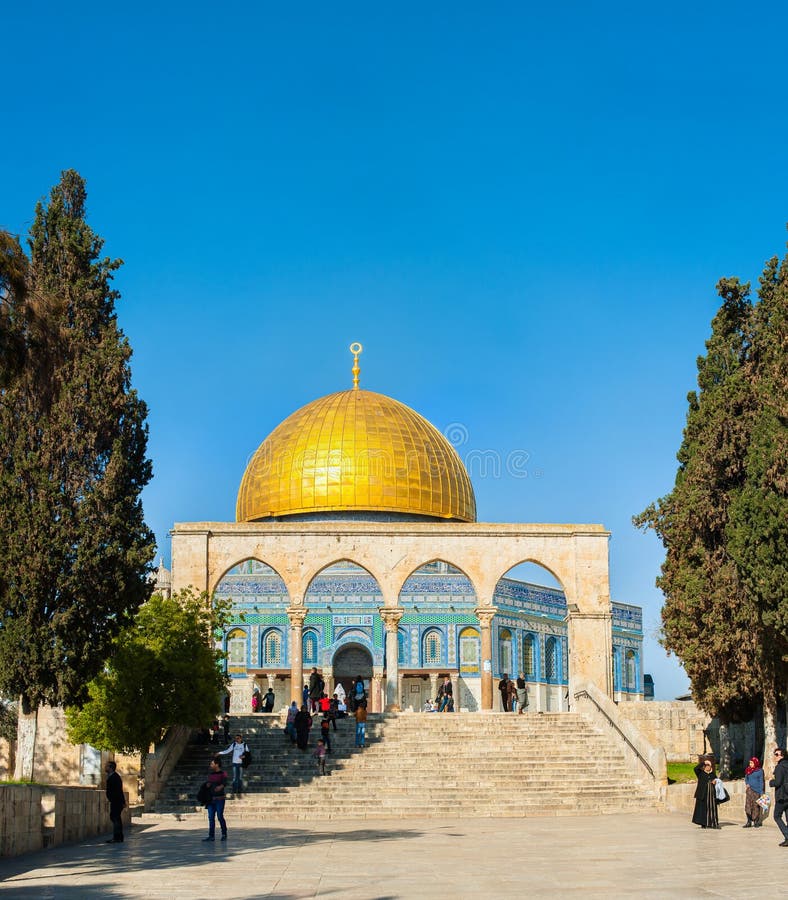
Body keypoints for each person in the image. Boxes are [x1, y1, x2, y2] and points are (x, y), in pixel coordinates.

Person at [691, 755, 721, 829]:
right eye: (706, 766)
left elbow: (718, 782)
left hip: (711, 796)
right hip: (702, 795)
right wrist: (703, 762)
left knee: (712, 809)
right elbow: (695, 768)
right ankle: (703, 823)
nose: (707, 767)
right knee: (702, 810)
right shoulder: (700, 773)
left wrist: (715, 782)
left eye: (709, 765)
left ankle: (714, 823)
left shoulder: (713, 774)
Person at [202, 756, 227, 841]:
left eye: (212, 763)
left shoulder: (223, 773)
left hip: (220, 799)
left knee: (220, 816)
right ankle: (211, 836)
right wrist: (207, 785)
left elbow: (225, 782)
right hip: (211, 799)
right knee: (211, 818)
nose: (211, 765)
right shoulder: (211, 774)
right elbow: (208, 784)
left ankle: (224, 834)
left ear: (217, 764)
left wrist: (220, 786)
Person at [769, 747, 788, 846]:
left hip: (782, 796)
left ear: (782, 756)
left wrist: (771, 782)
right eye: (775, 754)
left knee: (777, 816)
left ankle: (787, 835)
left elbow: (778, 782)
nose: (775, 756)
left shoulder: (779, 767)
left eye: (777, 754)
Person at [104, 761, 125, 843]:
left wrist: (121, 801)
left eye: (107, 766)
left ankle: (117, 838)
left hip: (116, 801)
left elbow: (118, 791)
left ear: (111, 768)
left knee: (115, 818)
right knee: (115, 818)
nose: (105, 768)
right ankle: (119, 837)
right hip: (116, 801)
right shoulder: (112, 776)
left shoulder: (115, 777)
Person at [743, 756, 765, 827]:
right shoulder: (748, 770)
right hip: (749, 790)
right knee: (748, 806)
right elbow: (746, 778)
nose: (750, 764)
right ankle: (748, 822)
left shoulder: (760, 771)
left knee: (756, 806)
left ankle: (756, 821)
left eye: (752, 763)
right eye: (750, 763)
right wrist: (747, 784)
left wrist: (761, 792)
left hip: (757, 791)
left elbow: (761, 781)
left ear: (756, 763)